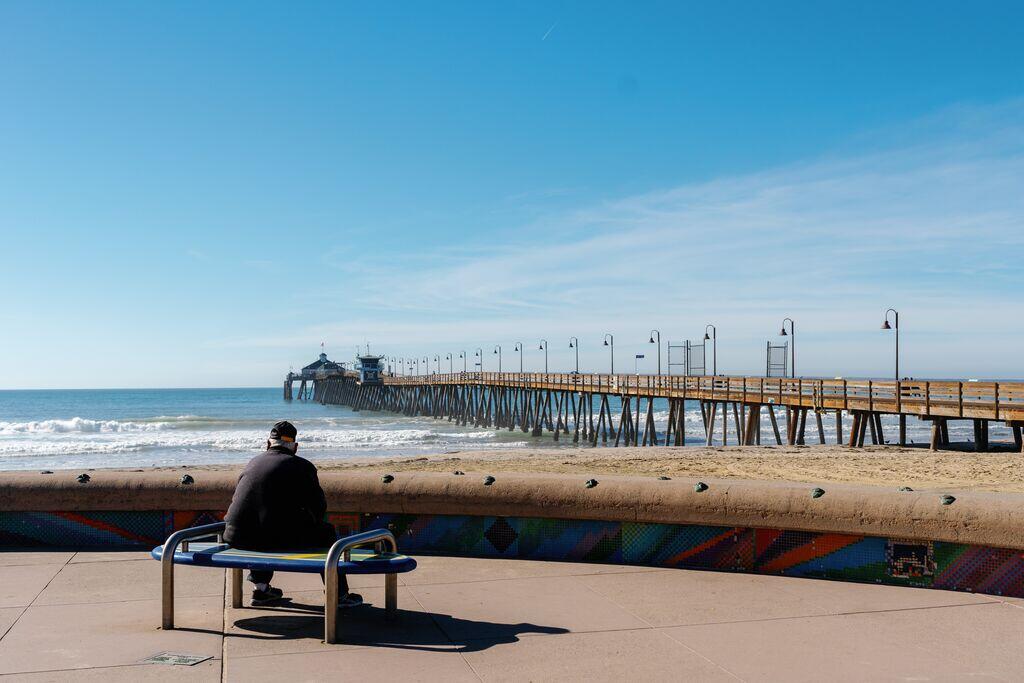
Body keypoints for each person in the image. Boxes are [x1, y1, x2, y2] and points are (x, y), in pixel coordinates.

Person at [224, 421, 362, 607]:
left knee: (262, 526)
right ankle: (339, 594)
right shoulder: (303, 467)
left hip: (236, 536)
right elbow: (319, 508)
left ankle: (261, 589)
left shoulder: (252, 463)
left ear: (267, 444)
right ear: (295, 447)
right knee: (326, 532)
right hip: (267, 539)